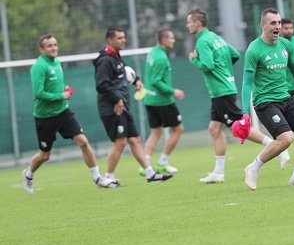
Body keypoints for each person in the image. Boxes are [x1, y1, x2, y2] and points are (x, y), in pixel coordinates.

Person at [186, 8, 290, 184]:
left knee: (240, 128)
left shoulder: (203, 41)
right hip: (224, 87)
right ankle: (218, 172)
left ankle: (276, 146)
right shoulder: (216, 37)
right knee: (214, 129)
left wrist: (193, 60)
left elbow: (208, 64)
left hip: (221, 90)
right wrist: (224, 69)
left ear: (197, 23)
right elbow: (234, 54)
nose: (187, 25)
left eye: (189, 22)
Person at [239, 7, 294, 190]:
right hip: (265, 102)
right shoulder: (254, 50)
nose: (278, 26)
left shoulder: (286, 45)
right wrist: (245, 113)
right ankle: (253, 168)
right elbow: (247, 83)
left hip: (286, 98)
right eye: (273, 23)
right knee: (286, 139)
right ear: (262, 25)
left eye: (279, 22)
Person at [22, 34, 118, 194]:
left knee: (83, 142)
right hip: (45, 117)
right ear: (41, 49)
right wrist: (61, 95)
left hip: (63, 112)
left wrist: (65, 88)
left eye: (55, 44)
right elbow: (38, 92)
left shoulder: (57, 62)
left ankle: (98, 179)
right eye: (49, 46)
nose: (54, 48)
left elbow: (55, 84)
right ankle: (28, 175)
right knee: (45, 155)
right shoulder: (39, 66)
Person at [94, 27, 173, 183]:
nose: (124, 40)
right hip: (113, 107)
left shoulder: (116, 57)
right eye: (120, 38)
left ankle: (151, 174)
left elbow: (123, 74)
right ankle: (108, 178)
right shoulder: (105, 60)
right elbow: (102, 85)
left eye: (124, 37)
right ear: (110, 40)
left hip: (123, 106)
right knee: (120, 141)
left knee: (135, 140)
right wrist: (117, 100)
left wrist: (136, 80)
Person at [138, 28, 185, 177]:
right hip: (162, 101)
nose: (173, 40)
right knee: (178, 129)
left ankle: (144, 165)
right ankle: (162, 163)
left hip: (149, 99)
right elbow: (156, 81)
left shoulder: (153, 52)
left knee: (156, 132)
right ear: (164, 40)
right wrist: (174, 92)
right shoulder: (161, 58)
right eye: (171, 38)